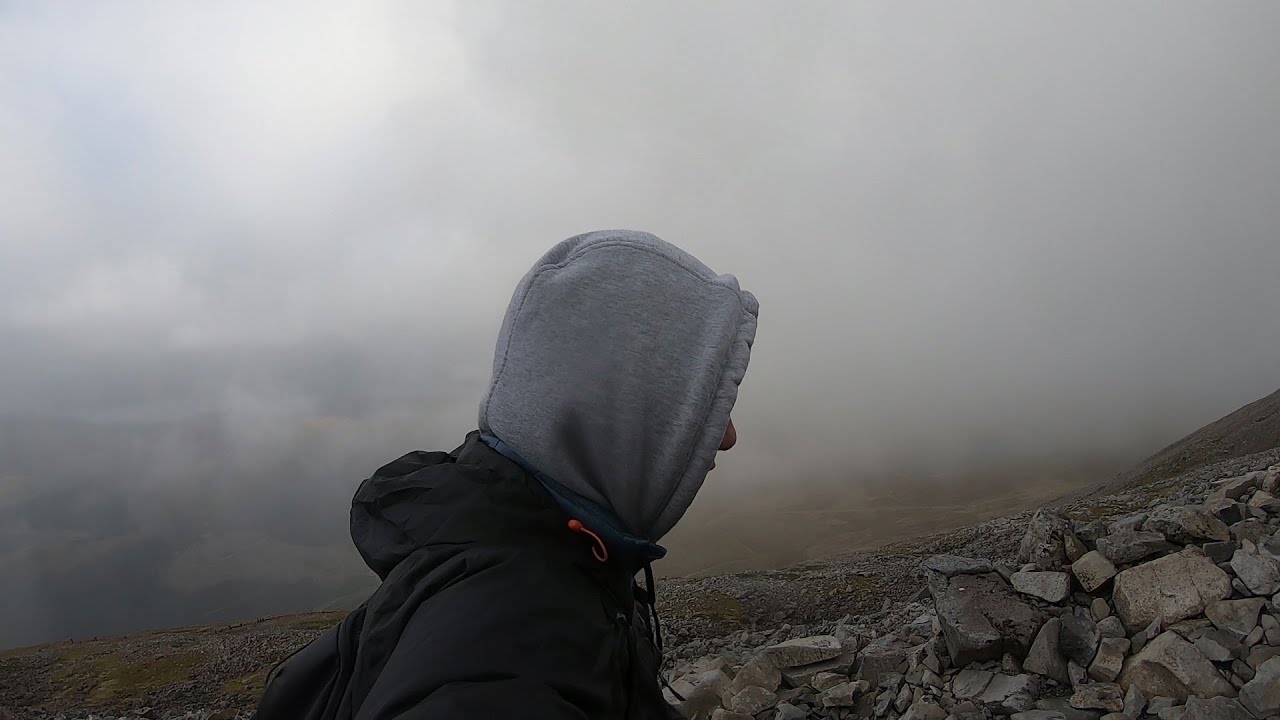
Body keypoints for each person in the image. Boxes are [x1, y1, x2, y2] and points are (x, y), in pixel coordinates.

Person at [254, 229, 758, 719]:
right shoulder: (520, 634)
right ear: (618, 410)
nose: (727, 435)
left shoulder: (534, 542)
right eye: (703, 407)